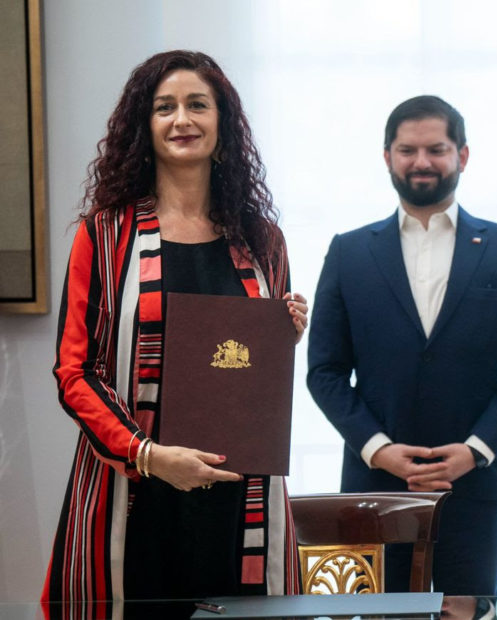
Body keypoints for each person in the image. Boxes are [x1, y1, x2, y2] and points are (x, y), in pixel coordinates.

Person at [44, 50, 307, 602]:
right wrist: (148, 455)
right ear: (145, 127)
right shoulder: (105, 236)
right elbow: (75, 371)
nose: (182, 119)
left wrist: (284, 332)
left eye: (197, 105)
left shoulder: (263, 239)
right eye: (165, 107)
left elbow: (252, 362)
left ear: (222, 123)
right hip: (136, 488)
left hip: (240, 493)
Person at [307, 95, 497, 595]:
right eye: (407, 150)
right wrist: (380, 451)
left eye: (436, 149)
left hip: (479, 488)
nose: (421, 162)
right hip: (376, 489)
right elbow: (325, 372)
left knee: (470, 612)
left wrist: (474, 451)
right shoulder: (348, 252)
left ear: (462, 155)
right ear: (387, 157)